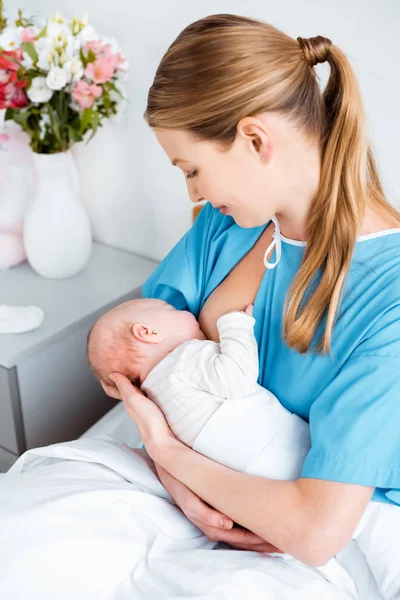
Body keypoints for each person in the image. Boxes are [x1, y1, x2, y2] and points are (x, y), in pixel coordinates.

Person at [104, 13, 400, 599]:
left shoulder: (386, 294)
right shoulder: (224, 226)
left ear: (255, 140)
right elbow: (129, 364)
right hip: (199, 498)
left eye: (192, 170)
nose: (193, 194)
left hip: (322, 537)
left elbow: (315, 531)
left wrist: (167, 452)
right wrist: (179, 482)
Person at [88, 296, 400, 597]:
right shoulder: (185, 358)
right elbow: (237, 376)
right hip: (286, 458)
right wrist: (236, 326)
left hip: (249, 491)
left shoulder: (153, 398)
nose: (189, 314)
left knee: (349, 551)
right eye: (171, 309)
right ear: (148, 332)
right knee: (375, 525)